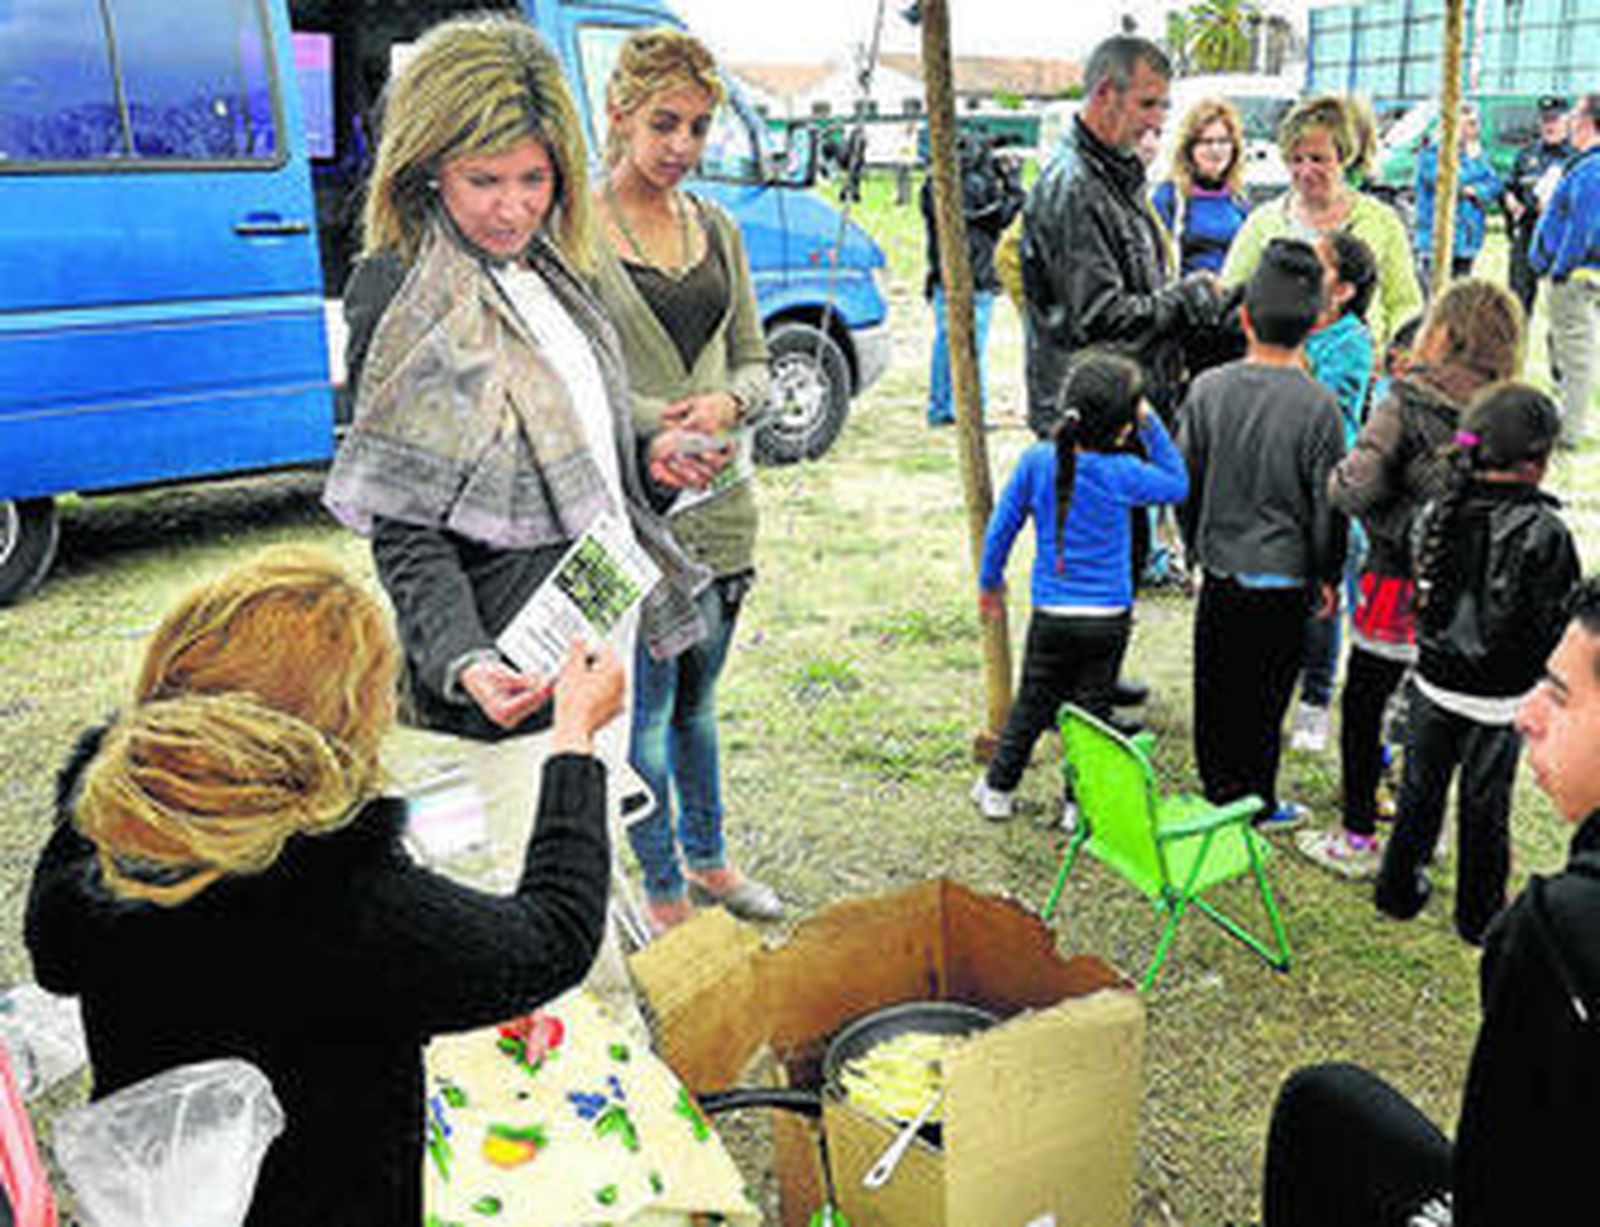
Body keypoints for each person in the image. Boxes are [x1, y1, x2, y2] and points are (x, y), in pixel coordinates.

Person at [25, 547, 625, 1227]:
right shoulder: (338, 897)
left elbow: (55, 957)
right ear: (340, 727)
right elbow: (553, 936)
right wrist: (574, 740)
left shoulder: (109, 823)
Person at [322, 17, 709, 808]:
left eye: (534, 179)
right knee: (523, 859)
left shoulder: (552, 270)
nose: (513, 208)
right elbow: (406, 524)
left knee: (588, 842)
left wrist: (652, 462)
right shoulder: (405, 292)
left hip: (592, 624)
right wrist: (462, 657)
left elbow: (584, 453)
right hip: (502, 666)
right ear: (429, 168)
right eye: (485, 180)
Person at [1261, 575, 1600, 1227]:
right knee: (1326, 1102)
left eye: (1559, 695)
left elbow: (1495, 1188)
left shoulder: (1556, 933)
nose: (1528, 715)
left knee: (1321, 1111)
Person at [590, 27, 783, 933]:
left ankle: (709, 858)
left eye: (700, 127)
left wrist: (731, 404)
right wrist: (654, 422)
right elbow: (571, 384)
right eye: (664, 123)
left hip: (724, 505)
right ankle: (661, 882)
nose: (683, 145)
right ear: (618, 113)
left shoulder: (720, 227)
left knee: (700, 706)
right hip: (633, 513)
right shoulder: (576, 232)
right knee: (646, 718)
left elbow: (757, 359)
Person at [1313, 281, 1525, 878]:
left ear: (1444, 333)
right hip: (1471, 594)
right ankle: (1426, 836)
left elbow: (1355, 488)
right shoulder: (1512, 411)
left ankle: (1358, 834)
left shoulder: (1406, 400)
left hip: (1395, 586)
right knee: (1439, 715)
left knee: (1365, 705)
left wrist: (1344, 480)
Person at [1371, 384, 1579, 944]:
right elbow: (1557, 627)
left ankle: (1396, 890)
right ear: (1537, 460)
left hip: (1435, 684)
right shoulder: (1545, 532)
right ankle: (1479, 917)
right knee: (1484, 809)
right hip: (1498, 700)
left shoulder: (1436, 512)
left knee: (1419, 792)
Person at [970, 352, 1187, 821]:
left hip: (1053, 614)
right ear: (1123, 429)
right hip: (1108, 619)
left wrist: (990, 582)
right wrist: (1150, 423)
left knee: (1031, 706)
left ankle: (998, 791)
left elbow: (1002, 527)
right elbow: (1177, 483)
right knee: (1091, 717)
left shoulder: (1036, 461)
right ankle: (1076, 806)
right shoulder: (1124, 472)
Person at [1177, 238, 1346, 829]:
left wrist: (1193, 546)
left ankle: (1218, 791)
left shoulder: (1206, 390)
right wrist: (1328, 574)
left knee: (1216, 688)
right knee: (1267, 697)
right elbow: (1329, 505)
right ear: (1317, 324)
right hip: (1285, 579)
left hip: (1221, 570)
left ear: (1244, 318)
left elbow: (1186, 483)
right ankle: (1257, 801)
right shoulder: (1321, 407)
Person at [1019, 34, 1220, 437]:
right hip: (1091, 426)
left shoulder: (1117, 176)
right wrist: (1183, 299)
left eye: (1164, 106)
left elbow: (1136, 292)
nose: (1158, 121)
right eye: (1147, 104)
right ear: (1105, 94)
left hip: (1123, 410)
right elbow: (1097, 316)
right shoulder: (1075, 188)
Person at [1223, 94, 1422, 351]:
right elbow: (1231, 297)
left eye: (1318, 159)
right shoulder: (1261, 224)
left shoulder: (1382, 221)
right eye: (1296, 160)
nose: (1306, 171)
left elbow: (1405, 305)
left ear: (1343, 157)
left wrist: (1395, 355)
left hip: (1363, 364)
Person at [1289, 231, 1380, 758]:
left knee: (1325, 600)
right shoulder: (1295, 320)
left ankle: (1316, 701)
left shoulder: (1351, 341)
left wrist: (1287, 348)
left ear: (1343, 290)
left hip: (1329, 487)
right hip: (1285, 479)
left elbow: (1321, 403)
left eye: (1318, 264)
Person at [920, 129, 1025, 426]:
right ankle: (970, 410)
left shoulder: (933, 183)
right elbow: (1001, 216)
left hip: (943, 273)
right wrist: (1012, 183)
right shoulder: (975, 184)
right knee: (971, 347)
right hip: (974, 276)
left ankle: (941, 406)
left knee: (946, 342)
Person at [1530, 91, 1600, 448]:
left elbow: (1583, 226)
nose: (1569, 122)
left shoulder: (1592, 169)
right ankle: (1566, 419)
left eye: (1574, 115)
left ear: (1588, 122)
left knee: (1576, 355)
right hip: (1575, 274)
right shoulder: (1585, 164)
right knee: (1563, 348)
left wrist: (1560, 268)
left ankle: (1570, 431)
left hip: (1574, 277)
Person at [1151, 98, 1251, 278]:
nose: (1216, 149)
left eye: (1223, 141)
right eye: (1207, 141)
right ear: (1189, 148)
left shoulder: (1238, 201)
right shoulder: (1169, 198)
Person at [1413, 105, 1503, 289]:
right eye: (1469, 124)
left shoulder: (1476, 154)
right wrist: (1474, 167)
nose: (1475, 130)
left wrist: (1476, 191)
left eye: (1475, 124)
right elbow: (1449, 181)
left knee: (1459, 296)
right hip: (1436, 241)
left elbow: (1495, 184)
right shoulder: (1431, 154)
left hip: (1467, 239)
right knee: (1435, 295)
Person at [1503, 95, 1573, 315]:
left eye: (1555, 120)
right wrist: (1510, 200)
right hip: (1528, 233)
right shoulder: (1527, 155)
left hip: (1562, 237)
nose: (1549, 126)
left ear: (1567, 121)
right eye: (1545, 121)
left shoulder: (1576, 156)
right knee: (1518, 302)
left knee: (1564, 306)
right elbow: (1510, 187)